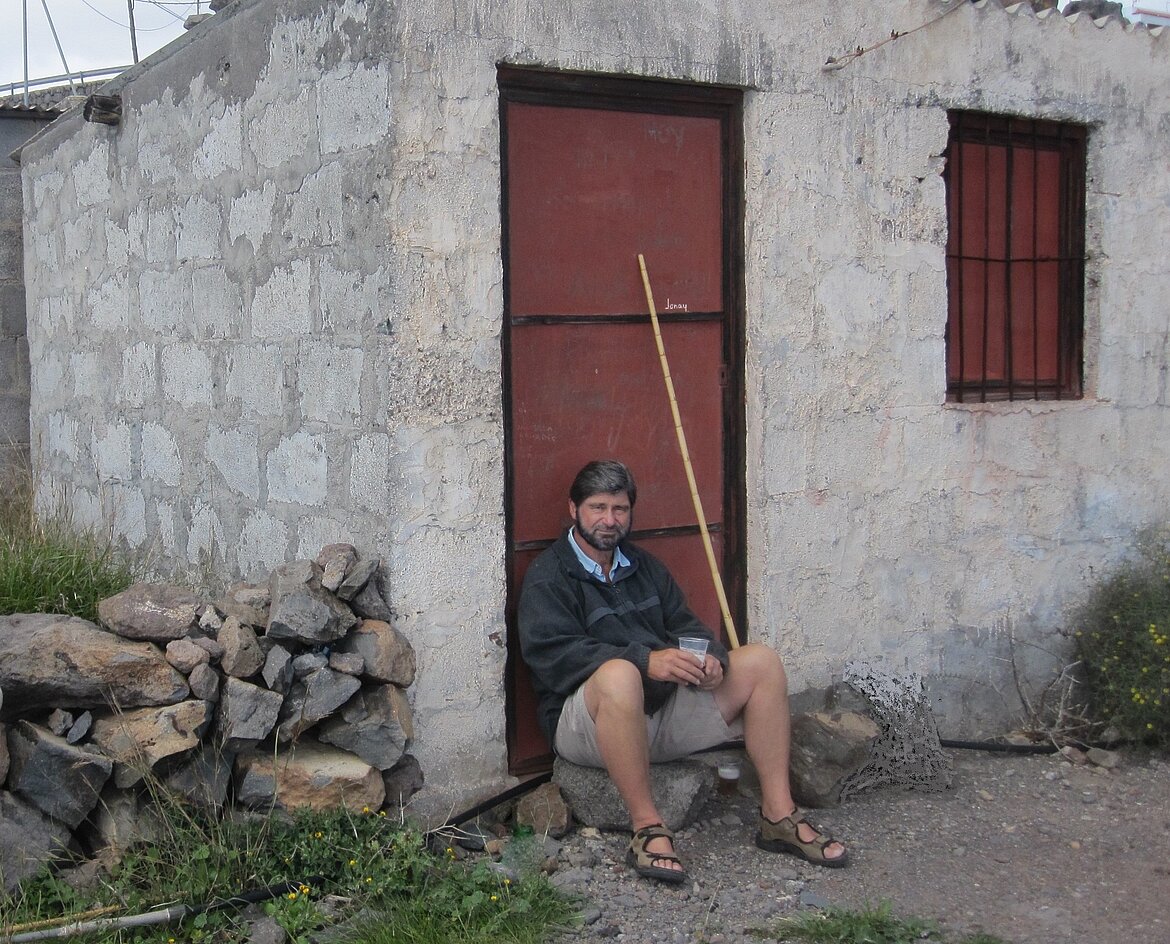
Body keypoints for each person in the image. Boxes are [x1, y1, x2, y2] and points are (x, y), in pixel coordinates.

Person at [518, 459, 848, 884]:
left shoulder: (645, 567)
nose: (609, 519)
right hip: (587, 725)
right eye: (597, 507)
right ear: (574, 509)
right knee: (620, 675)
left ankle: (778, 815)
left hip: (658, 715)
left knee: (760, 661)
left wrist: (710, 659)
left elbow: (690, 628)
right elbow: (553, 655)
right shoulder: (550, 574)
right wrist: (644, 660)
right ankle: (647, 829)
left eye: (619, 509)